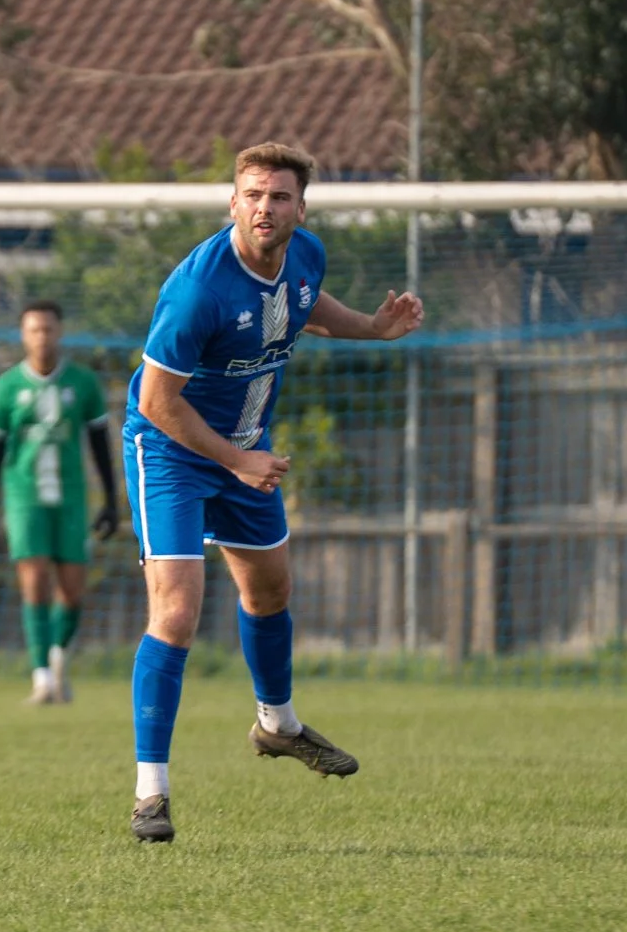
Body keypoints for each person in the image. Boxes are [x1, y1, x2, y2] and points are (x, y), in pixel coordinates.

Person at [120, 142, 424, 843]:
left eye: (279, 197)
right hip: (171, 451)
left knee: (270, 592)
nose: (265, 207)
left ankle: (278, 725)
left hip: (245, 449)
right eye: (253, 195)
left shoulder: (306, 255)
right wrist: (237, 462)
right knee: (177, 614)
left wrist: (373, 328)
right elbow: (160, 402)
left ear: (300, 210)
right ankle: (150, 794)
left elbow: (304, 307)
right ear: (233, 203)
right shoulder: (199, 291)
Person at [0, 299, 118, 704]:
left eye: (48, 329)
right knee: (35, 579)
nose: (42, 337)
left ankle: (58, 659)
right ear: (23, 335)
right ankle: (41, 677)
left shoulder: (83, 382)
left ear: (60, 332)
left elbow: (100, 444)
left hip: (71, 495)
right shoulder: (6, 387)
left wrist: (111, 500)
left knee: (72, 590)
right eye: (34, 330)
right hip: (24, 495)